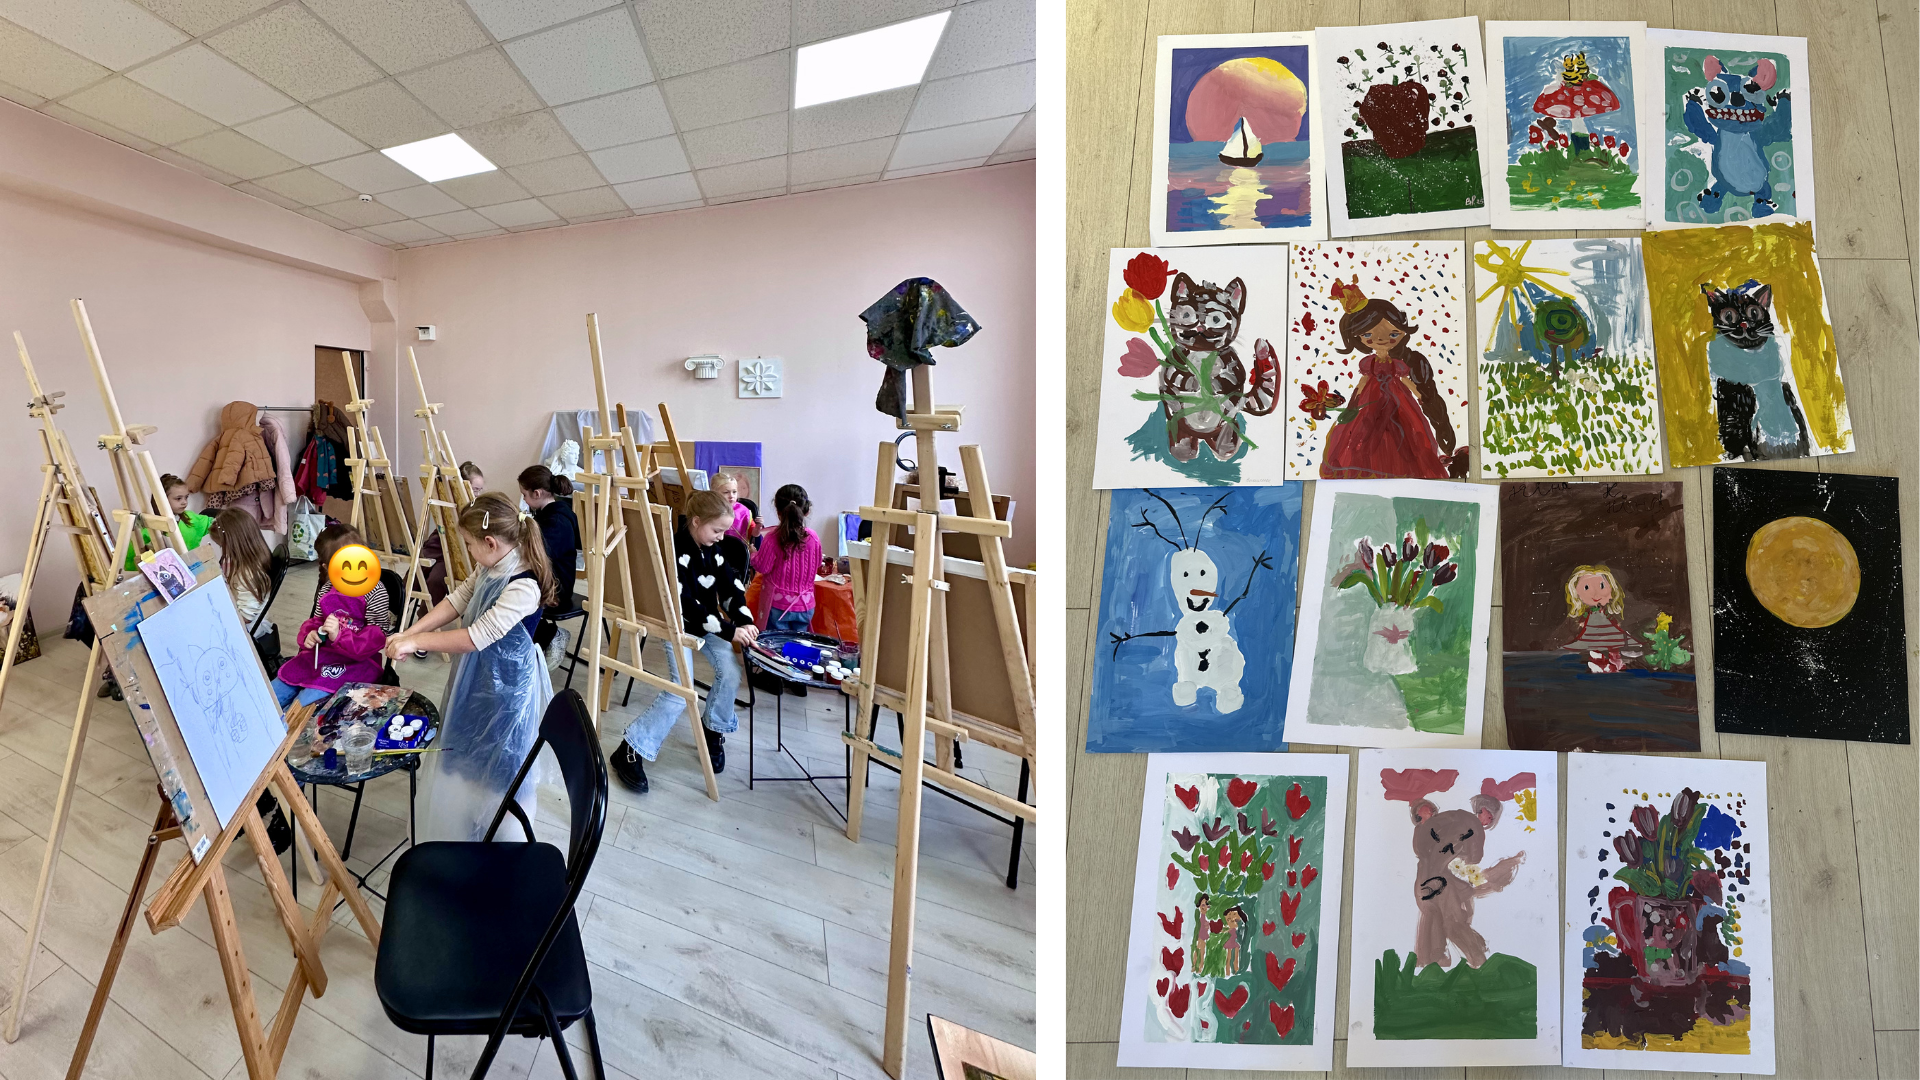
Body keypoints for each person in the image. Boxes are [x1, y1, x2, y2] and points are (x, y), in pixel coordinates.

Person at [384, 491, 555, 841]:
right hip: (477, 675)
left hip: (509, 690)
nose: (469, 552)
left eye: (470, 544)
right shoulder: (491, 563)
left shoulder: (523, 585)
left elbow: (477, 636)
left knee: (501, 756)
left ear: (490, 542)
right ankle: (464, 820)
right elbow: (458, 600)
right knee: (465, 743)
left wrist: (416, 643)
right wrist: (410, 631)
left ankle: (499, 831)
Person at [609, 489, 756, 793]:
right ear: (696, 521)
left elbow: (730, 586)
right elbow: (684, 603)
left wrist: (744, 621)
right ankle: (629, 750)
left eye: (725, 531)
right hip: (678, 626)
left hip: (707, 625)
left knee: (730, 672)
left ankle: (713, 728)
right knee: (680, 692)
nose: (721, 537)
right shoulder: (675, 550)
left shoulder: (713, 548)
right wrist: (730, 631)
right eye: (717, 530)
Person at [1318, 278, 1463, 480]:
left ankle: (1401, 470)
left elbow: (1406, 382)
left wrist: (1421, 396)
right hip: (1370, 404)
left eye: (1393, 333)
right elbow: (1361, 385)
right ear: (1357, 337)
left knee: (1404, 436)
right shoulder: (1369, 363)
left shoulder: (1398, 364)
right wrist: (1352, 405)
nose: (1380, 340)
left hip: (1398, 403)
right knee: (1365, 437)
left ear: (1402, 332)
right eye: (1368, 335)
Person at [272, 577, 386, 711]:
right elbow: (316, 621)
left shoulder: (374, 591)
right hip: (321, 656)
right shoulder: (328, 587)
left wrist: (340, 636)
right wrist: (310, 635)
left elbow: (376, 637)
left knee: (302, 707)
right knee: (270, 694)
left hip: (356, 665)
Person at [517, 465, 579, 665]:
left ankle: (551, 634)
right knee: (508, 589)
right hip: (548, 579)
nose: (524, 500)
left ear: (537, 493)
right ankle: (531, 641)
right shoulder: (549, 515)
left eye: (524, 495)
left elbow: (536, 555)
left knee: (513, 592)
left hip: (556, 587)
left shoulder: (557, 521)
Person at [751, 484, 822, 634]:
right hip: (806, 605)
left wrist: (753, 554)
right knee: (799, 645)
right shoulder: (813, 538)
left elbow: (762, 567)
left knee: (777, 647)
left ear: (778, 512)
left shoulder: (772, 538)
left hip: (777, 605)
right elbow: (816, 566)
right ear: (806, 511)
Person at [208, 508, 277, 644]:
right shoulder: (246, 562)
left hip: (248, 628)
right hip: (240, 617)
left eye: (222, 546)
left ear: (235, 544)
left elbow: (246, 616)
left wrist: (218, 617)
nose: (223, 551)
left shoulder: (249, 572)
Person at [309, 524, 395, 632]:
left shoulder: (375, 592)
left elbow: (377, 637)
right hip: (327, 648)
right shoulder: (326, 590)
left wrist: (338, 638)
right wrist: (312, 634)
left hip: (360, 648)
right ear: (328, 568)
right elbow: (317, 624)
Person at [1561, 564, 1642, 673]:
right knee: (1596, 648)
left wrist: (1615, 624)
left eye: (1602, 586)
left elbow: (1609, 617)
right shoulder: (1589, 613)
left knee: (1613, 646)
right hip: (1593, 633)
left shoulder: (1604, 612)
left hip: (1607, 632)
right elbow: (1584, 618)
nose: (1595, 593)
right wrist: (1581, 623)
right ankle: (1599, 663)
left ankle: (1616, 663)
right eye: (1586, 588)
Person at [713, 471, 760, 545]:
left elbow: (754, 533)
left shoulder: (743, 511)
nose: (731, 496)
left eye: (734, 492)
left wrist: (758, 526)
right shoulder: (710, 510)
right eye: (726, 492)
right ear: (715, 493)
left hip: (738, 549)